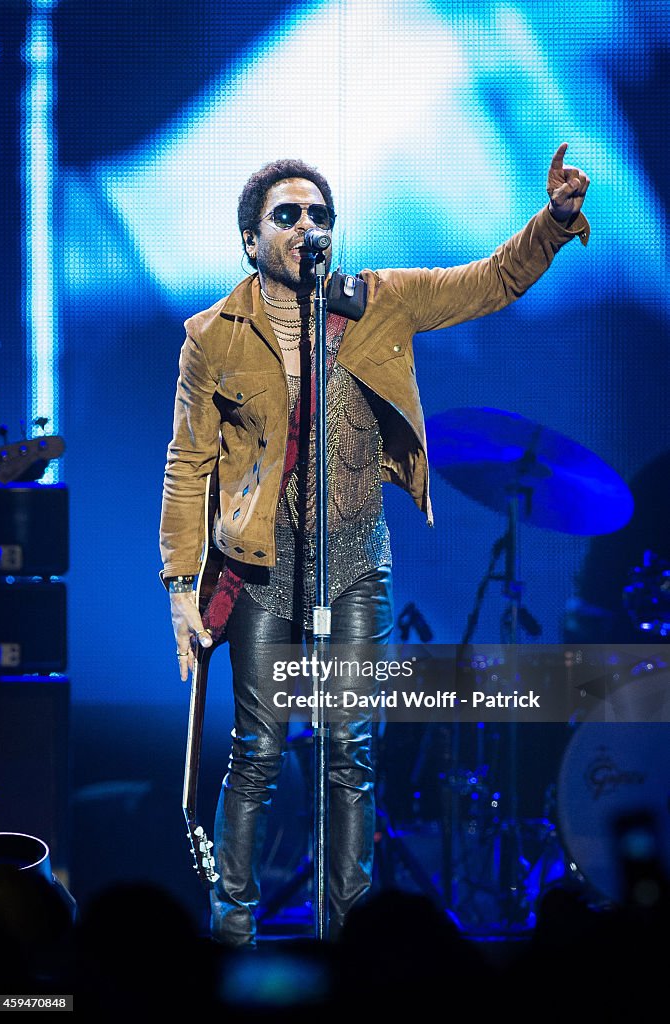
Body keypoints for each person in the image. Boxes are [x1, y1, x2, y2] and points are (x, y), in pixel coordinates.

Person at [160, 145, 590, 947]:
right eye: (287, 215)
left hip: (357, 560)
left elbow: (490, 280)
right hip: (258, 569)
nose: (307, 226)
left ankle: (348, 940)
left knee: (348, 750)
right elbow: (187, 466)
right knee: (257, 750)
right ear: (251, 240)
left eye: (320, 214)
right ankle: (230, 932)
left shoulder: (376, 302)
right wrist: (182, 588)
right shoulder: (211, 337)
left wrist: (555, 222)